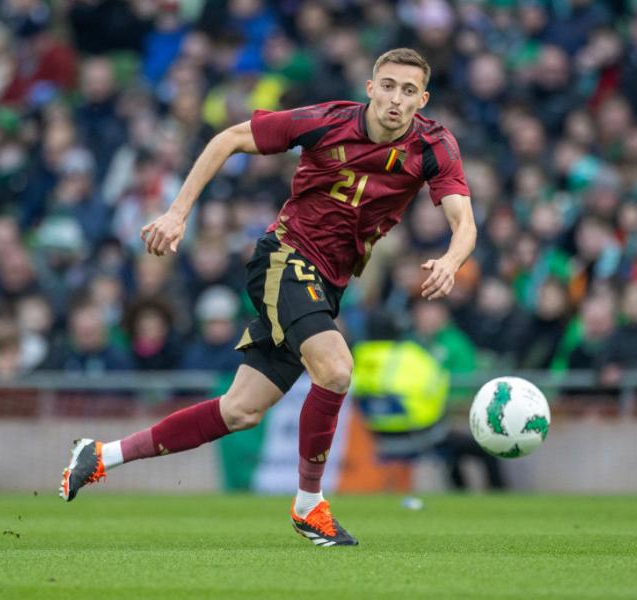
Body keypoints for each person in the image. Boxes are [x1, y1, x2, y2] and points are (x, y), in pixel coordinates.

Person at [59, 48, 476, 547]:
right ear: (370, 87)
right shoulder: (324, 122)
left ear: (421, 100)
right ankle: (309, 506)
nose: (396, 98)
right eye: (387, 85)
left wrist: (451, 261)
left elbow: (464, 222)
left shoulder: (434, 145)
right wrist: (177, 213)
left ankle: (100, 455)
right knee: (338, 368)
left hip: (329, 284)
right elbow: (228, 138)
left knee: (240, 411)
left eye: (409, 91)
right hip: (284, 258)